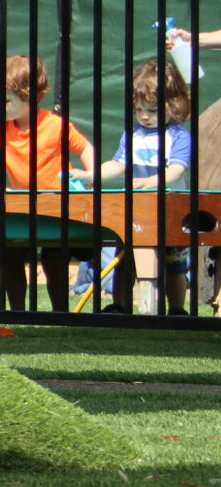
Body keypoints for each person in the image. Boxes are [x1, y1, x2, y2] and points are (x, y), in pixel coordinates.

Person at [0, 54, 96, 311]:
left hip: (56, 207)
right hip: (20, 207)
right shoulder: (0, 129)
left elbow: (84, 147)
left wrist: (90, 172)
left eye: (4, 99)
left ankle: (60, 313)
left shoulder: (55, 125)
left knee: (54, 258)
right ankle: (17, 312)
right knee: (11, 253)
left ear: (31, 95)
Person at [94, 58, 194, 314]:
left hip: (169, 211)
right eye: (139, 109)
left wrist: (151, 182)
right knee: (124, 260)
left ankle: (177, 309)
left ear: (173, 105)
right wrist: (90, 173)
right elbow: (118, 164)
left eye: (151, 109)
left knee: (174, 264)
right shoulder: (132, 135)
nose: (144, 116)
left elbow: (176, 170)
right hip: (137, 211)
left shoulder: (179, 136)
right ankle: (121, 305)